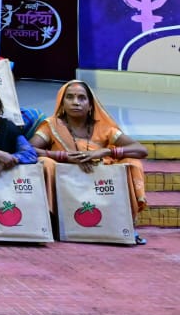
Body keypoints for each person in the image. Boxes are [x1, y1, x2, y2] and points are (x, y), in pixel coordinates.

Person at [29, 80, 148, 239]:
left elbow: (141, 150)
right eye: (69, 97)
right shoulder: (52, 126)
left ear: (91, 105)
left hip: (99, 180)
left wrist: (104, 152)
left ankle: (126, 224)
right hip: (65, 178)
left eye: (81, 98)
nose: (75, 102)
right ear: (62, 103)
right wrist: (64, 156)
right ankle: (53, 223)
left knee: (133, 163)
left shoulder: (104, 128)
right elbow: (28, 150)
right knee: (45, 163)